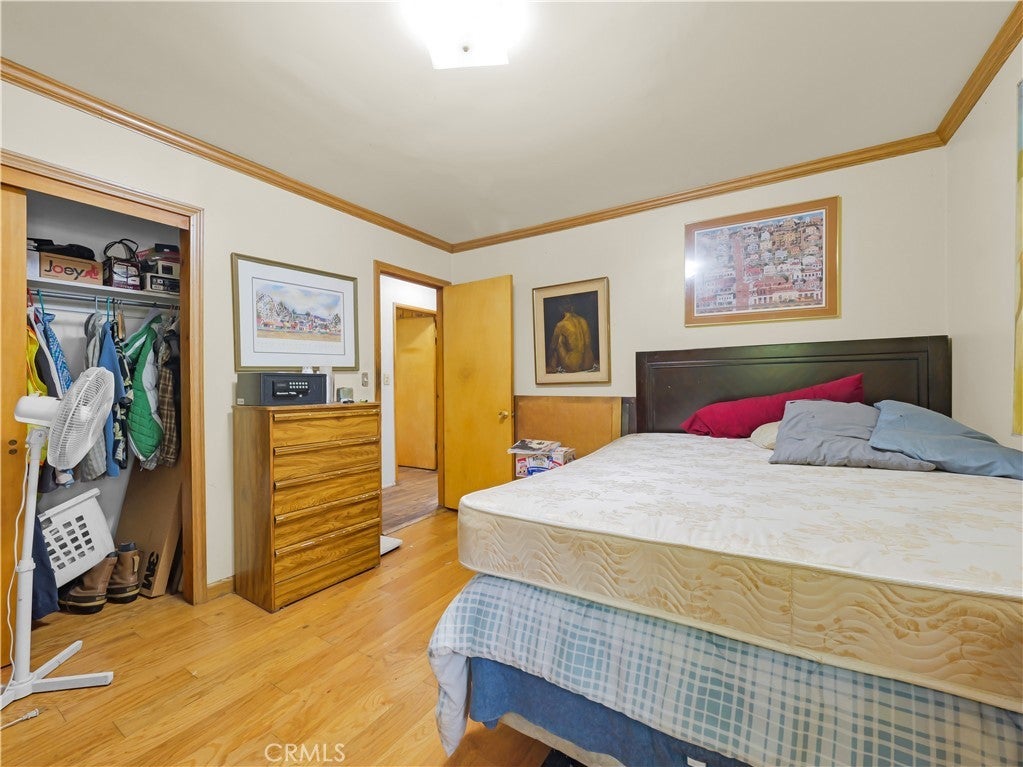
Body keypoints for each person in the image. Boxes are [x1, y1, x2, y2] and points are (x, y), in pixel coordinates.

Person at [547, 297, 595, 373]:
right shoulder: (583, 320)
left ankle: (552, 367)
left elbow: (552, 346)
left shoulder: (561, 324)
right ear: (572, 307)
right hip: (589, 363)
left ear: (560, 309)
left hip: (573, 366)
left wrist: (549, 358)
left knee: (559, 340)